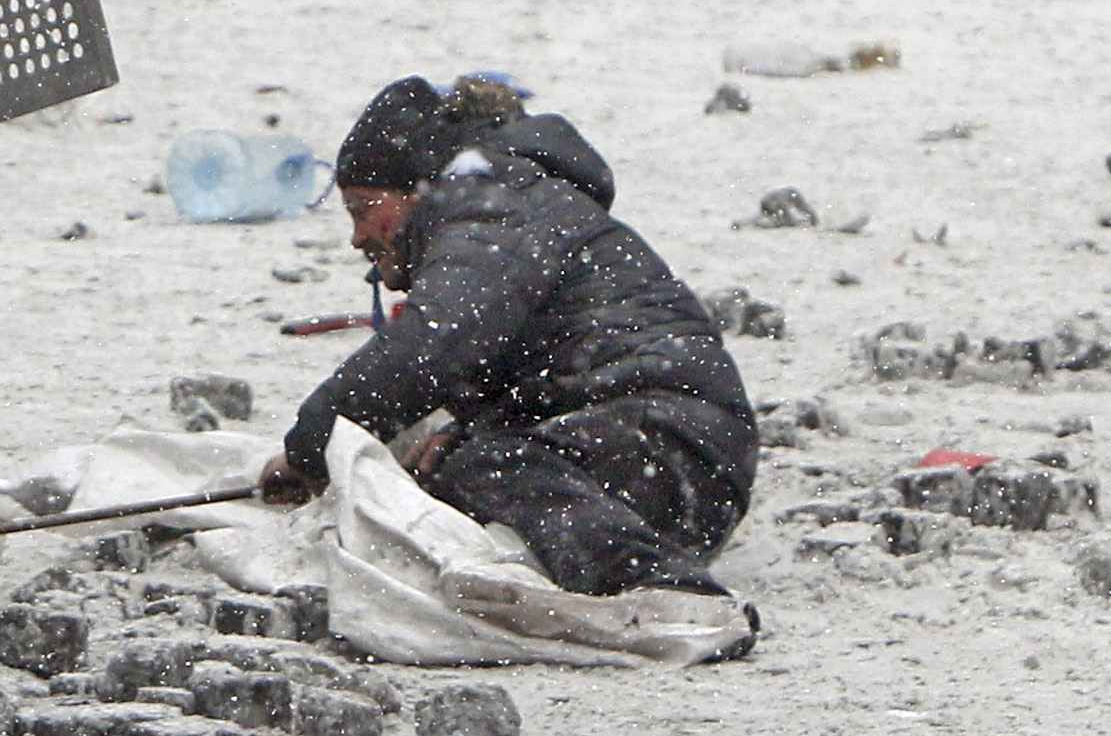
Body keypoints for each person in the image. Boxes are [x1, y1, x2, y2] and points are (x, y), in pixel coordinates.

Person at [258, 77, 761, 660]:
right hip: (680, 453)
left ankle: (670, 596)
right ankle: (626, 566)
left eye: (363, 210)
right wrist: (464, 433)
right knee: (455, 465)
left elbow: (427, 350)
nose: (357, 238)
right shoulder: (513, 204)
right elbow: (543, 370)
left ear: (416, 190)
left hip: (675, 445)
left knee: (486, 469)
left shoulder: (491, 209)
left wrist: (310, 449)